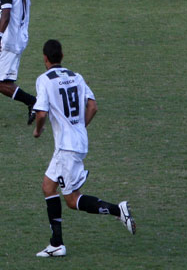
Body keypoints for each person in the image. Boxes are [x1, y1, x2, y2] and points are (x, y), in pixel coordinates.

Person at [32, 39, 135, 257]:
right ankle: (56, 243)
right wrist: (79, 126)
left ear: (45, 58)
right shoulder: (76, 76)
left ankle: (118, 210)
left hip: (66, 148)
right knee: (48, 187)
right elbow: (93, 106)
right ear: (62, 55)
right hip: (75, 143)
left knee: (71, 200)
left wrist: (38, 131)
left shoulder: (44, 80)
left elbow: (41, 113)